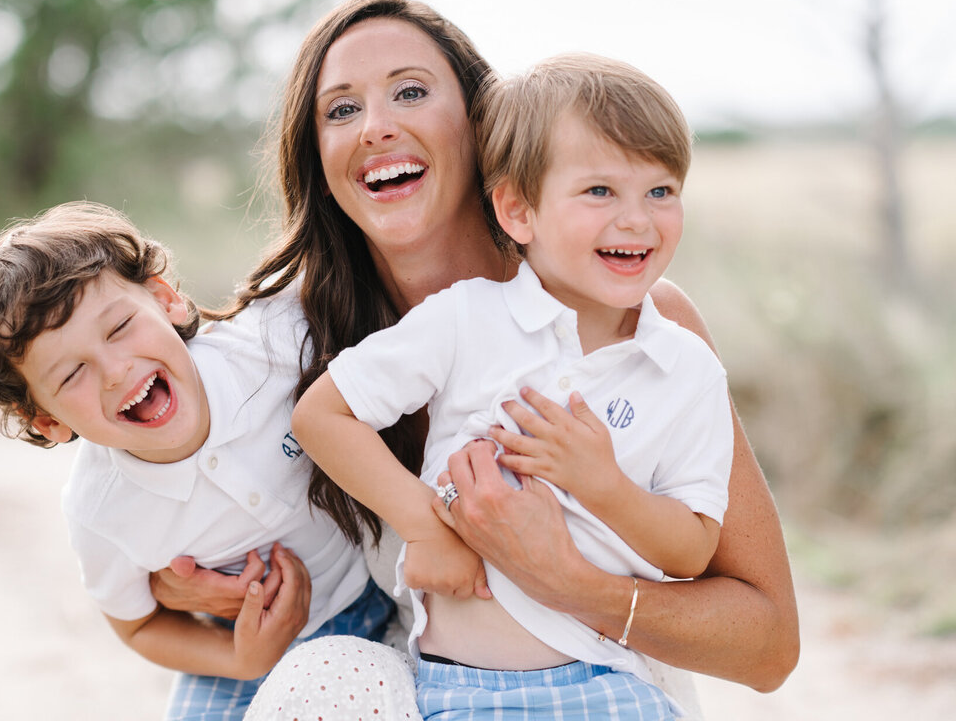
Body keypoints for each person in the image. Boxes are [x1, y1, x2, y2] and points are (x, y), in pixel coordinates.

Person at [149, 0, 799, 718]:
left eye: (411, 92)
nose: (377, 126)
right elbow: (132, 471)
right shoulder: (283, 341)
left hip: (595, 670)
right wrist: (184, 588)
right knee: (301, 680)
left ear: (483, 124)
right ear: (320, 155)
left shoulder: (639, 324)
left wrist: (566, 579)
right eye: (341, 110)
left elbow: (768, 649)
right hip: (428, 666)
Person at [292, 52, 731, 719]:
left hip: (607, 681)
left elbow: (695, 549)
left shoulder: (685, 366)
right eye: (600, 191)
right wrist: (426, 526)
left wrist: (602, 485)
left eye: (661, 190)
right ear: (518, 212)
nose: (638, 220)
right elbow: (322, 417)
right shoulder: (467, 318)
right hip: (460, 687)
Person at [0, 201, 393, 721]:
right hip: (243, 655)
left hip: (379, 596)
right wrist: (240, 657)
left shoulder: (276, 344)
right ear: (46, 420)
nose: (116, 371)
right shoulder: (102, 510)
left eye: (118, 328)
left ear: (165, 299)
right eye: (72, 375)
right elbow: (136, 625)